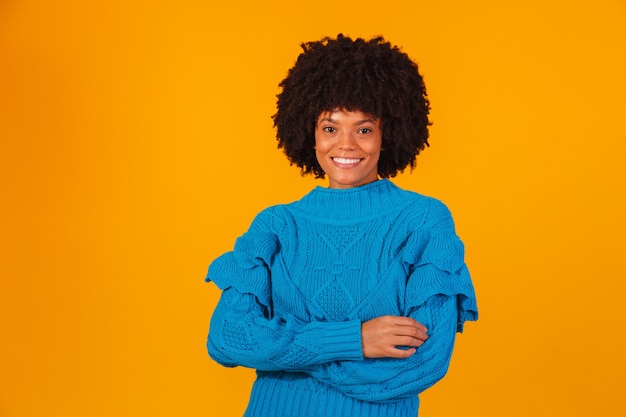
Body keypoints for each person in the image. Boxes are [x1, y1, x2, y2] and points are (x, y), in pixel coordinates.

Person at [205, 34, 478, 417]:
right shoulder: (276, 225)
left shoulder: (423, 221)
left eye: (364, 129)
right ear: (309, 134)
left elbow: (424, 362)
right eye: (330, 128)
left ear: (388, 135)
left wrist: (285, 352)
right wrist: (356, 339)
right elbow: (226, 339)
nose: (345, 144)